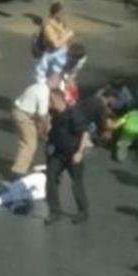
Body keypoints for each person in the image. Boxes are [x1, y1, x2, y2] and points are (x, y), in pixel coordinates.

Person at [44, 89, 92, 224]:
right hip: (58, 153)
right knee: (50, 177)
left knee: (76, 182)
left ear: (57, 99)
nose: (48, 103)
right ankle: (55, 211)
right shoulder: (54, 114)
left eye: (50, 100)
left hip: (73, 154)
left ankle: (83, 211)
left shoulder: (73, 114)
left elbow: (84, 133)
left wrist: (80, 152)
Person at [11, 71, 59, 176]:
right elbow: (42, 115)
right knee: (29, 143)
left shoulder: (38, 86)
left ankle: (24, 164)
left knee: (28, 140)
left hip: (19, 112)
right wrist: (46, 130)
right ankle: (18, 171)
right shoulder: (44, 92)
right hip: (24, 116)